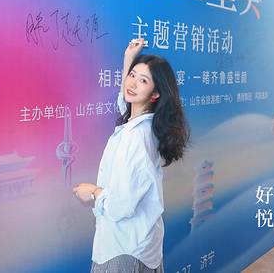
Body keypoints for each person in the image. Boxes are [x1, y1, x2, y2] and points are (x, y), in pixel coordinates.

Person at [73, 38, 189, 273]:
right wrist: (128, 60)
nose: (132, 83)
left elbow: (120, 206)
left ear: (155, 94)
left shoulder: (136, 137)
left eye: (143, 80)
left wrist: (93, 192)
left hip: (124, 249)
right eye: (132, 76)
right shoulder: (145, 124)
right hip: (138, 244)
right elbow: (124, 104)